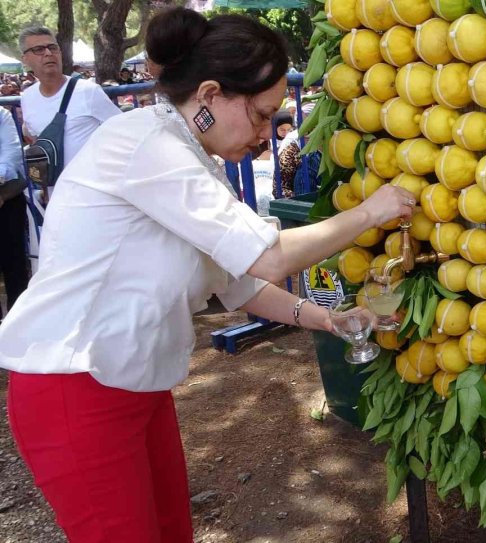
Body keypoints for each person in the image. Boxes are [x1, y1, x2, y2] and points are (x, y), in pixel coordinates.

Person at [0, 8, 415, 542]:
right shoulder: (150, 145)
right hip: (74, 385)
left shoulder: (195, 159)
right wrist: (367, 214)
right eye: (262, 114)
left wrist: (329, 321)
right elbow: (268, 258)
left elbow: (237, 282)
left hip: (134, 384)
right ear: (211, 94)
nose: (267, 134)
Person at [19, 27, 121, 167]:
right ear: (24, 59)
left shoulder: (88, 91)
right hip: (52, 186)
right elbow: (36, 138)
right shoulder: (27, 98)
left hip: (89, 184)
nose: (48, 53)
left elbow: (122, 129)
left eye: (52, 47)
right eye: (39, 49)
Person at [0, 106, 28, 322]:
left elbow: (11, 158)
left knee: (15, 266)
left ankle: (18, 326)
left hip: (6, 197)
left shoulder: (2, 115)